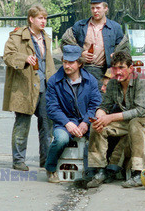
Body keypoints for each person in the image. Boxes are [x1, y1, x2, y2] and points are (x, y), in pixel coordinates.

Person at [87, 51, 145, 188]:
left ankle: (138, 173)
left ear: (131, 68)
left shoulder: (142, 80)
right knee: (98, 126)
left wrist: (110, 117)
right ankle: (100, 170)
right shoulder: (113, 83)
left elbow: (140, 111)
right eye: (114, 68)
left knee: (135, 124)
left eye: (121, 68)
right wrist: (99, 118)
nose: (117, 72)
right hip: (131, 119)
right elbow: (104, 105)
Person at [3, 4, 56, 171]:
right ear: (31, 19)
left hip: (45, 87)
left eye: (45, 18)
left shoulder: (46, 37)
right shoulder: (17, 36)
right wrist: (24, 58)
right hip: (25, 87)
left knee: (47, 126)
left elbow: (49, 63)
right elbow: (8, 56)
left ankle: (46, 160)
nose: (43, 21)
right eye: (40, 18)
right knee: (22, 125)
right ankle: (18, 161)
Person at [44, 45, 102, 183]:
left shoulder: (90, 80)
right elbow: (52, 108)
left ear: (80, 63)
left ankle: (93, 171)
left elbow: (96, 104)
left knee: (98, 134)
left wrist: (86, 122)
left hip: (85, 119)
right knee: (61, 139)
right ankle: (50, 168)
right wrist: (67, 123)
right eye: (65, 62)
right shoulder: (54, 81)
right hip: (64, 122)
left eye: (71, 62)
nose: (67, 65)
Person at [61, 0, 130, 87]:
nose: (95, 11)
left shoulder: (115, 28)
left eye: (98, 8)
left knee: (103, 100)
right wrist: (80, 53)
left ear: (105, 8)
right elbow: (65, 43)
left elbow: (125, 50)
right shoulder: (80, 26)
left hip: (105, 73)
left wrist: (116, 57)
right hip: (81, 72)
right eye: (92, 8)